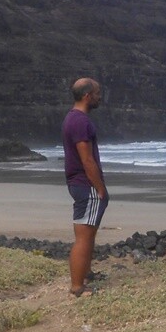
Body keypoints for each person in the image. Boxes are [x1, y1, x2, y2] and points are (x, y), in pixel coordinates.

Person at [62, 77, 108, 296]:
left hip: (78, 183)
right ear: (87, 95)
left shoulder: (72, 118)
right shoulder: (81, 122)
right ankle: (77, 287)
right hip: (86, 184)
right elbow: (87, 160)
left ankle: (86, 273)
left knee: (87, 233)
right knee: (84, 236)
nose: (100, 97)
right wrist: (100, 189)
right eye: (97, 93)